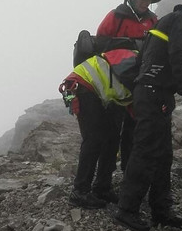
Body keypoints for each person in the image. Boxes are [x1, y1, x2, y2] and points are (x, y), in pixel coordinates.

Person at [113, 4, 182, 231]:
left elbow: (142, 62)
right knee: (146, 152)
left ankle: (161, 210)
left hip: (153, 94)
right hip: (154, 94)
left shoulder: (162, 24)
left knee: (163, 155)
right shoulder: (180, 19)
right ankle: (127, 210)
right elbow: (177, 55)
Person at [58, 49, 139, 209]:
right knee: (93, 139)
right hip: (81, 84)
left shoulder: (139, 60)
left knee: (111, 138)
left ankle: (102, 188)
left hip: (93, 88)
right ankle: (79, 192)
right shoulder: (142, 69)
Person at [96, 0, 159, 172]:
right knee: (112, 130)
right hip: (113, 81)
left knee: (133, 128)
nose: (145, 3)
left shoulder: (153, 20)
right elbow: (100, 43)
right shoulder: (116, 16)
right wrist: (125, 46)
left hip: (138, 81)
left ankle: (128, 171)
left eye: (148, 0)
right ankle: (103, 179)